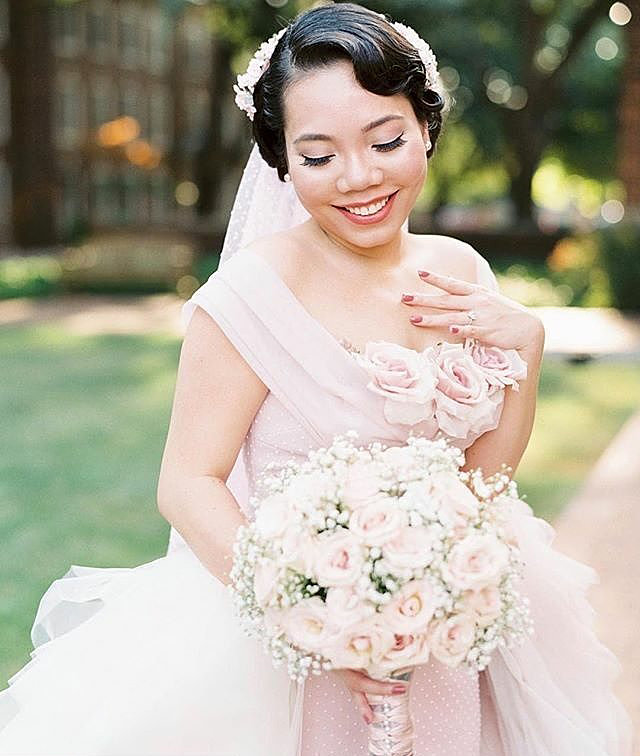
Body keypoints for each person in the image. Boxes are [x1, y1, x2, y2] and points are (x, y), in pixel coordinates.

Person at [0, 3, 633, 755]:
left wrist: (526, 351)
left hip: (445, 635)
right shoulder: (250, 292)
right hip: (292, 654)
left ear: (426, 127)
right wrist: (314, 618)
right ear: (282, 161)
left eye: (386, 141)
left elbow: (481, 487)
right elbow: (188, 482)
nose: (359, 178)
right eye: (319, 156)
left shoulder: (459, 271)